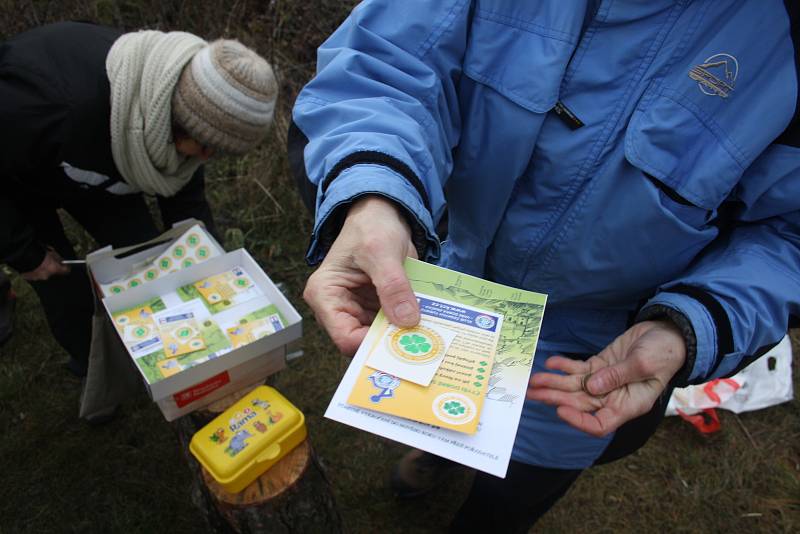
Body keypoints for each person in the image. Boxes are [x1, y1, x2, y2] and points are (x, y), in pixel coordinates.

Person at [289, 1, 800, 531]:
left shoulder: (786, 39)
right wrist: (376, 197)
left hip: (588, 364)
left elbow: (788, 236)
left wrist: (688, 325)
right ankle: (438, 454)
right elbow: (383, 66)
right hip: (449, 293)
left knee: (509, 501)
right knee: (441, 416)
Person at [0, 21, 276, 377]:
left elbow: (185, 199)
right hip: (17, 175)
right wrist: (24, 252)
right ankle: (96, 373)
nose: (207, 158)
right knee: (61, 286)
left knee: (142, 256)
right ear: (177, 122)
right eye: (208, 147)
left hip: (103, 169)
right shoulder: (44, 108)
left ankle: (173, 357)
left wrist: (208, 260)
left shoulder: (189, 104)